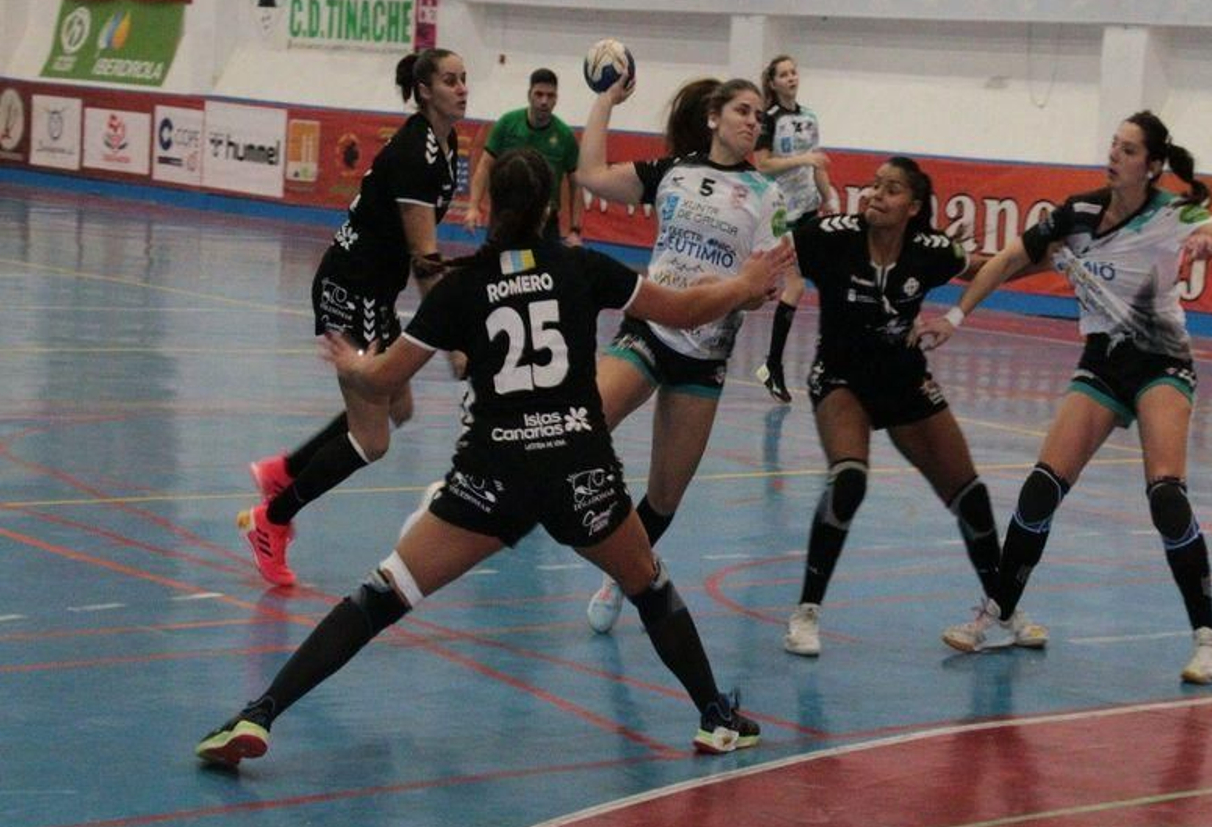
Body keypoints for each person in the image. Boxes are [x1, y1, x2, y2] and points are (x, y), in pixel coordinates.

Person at [196, 150, 787, 766]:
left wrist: (352, 365)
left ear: (489, 208)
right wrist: (744, 286)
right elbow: (681, 311)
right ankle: (716, 717)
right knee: (649, 584)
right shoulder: (583, 268)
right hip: (577, 468)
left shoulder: (461, 287)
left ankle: (258, 714)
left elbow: (382, 380)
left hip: (492, 476)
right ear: (551, 209)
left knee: (383, 594)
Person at [916, 111, 1212, 681]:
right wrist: (954, 315)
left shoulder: (1175, 211)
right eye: (1113, 145)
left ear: (1152, 165)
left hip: (1161, 361)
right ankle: (996, 609)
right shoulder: (1078, 213)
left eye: (1127, 149)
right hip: (1102, 363)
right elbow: (1009, 260)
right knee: (1042, 486)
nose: (1114, 155)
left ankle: (1207, 640)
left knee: (1165, 494)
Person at [240, 49, 468, 589]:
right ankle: (272, 520)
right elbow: (425, 260)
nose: (462, 88)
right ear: (424, 91)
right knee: (373, 440)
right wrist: (458, 339)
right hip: (352, 289)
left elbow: (416, 258)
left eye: (465, 79)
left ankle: (284, 471)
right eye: (450, 81)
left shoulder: (443, 143)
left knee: (400, 406)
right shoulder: (416, 154)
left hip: (373, 292)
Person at [575, 72, 790, 634]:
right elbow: (591, 174)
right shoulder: (673, 171)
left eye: (759, 116)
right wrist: (604, 100)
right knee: (582, 423)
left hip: (706, 354)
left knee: (666, 496)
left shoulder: (767, 196)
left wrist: (758, 290)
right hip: (650, 330)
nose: (753, 121)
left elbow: (770, 282)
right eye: (743, 110)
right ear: (714, 117)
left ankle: (623, 573)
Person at [779, 156, 1019, 657]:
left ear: (912, 207)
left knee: (971, 496)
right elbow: (771, 251)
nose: (874, 195)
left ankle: (1004, 611)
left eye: (890, 190)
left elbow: (994, 265)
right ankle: (806, 612)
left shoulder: (929, 250)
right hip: (841, 377)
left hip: (904, 380)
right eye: (873, 185)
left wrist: (1049, 252)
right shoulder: (831, 236)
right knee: (849, 479)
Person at [752, 54, 837, 403]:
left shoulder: (809, 117)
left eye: (794, 72)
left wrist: (828, 195)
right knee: (797, 284)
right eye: (783, 74)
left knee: (823, 278)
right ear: (772, 83)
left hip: (809, 210)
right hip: (781, 211)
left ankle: (784, 363)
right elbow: (764, 165)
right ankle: (772, 365)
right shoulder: (769, 120)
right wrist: (804, 159)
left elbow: (818, 164)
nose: (791, 78)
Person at [465, 67, 581, 244]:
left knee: (545, 270)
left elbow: (576, 184)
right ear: (529, 95)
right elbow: (484, 166)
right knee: (502, 268)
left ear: (556, 99)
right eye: (539, 94)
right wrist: (473, 207)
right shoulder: (507, 124)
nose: (544, 101)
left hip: (545, 221)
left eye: (550, 96)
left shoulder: (565, 136)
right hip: (505, 218)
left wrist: (575, 230)